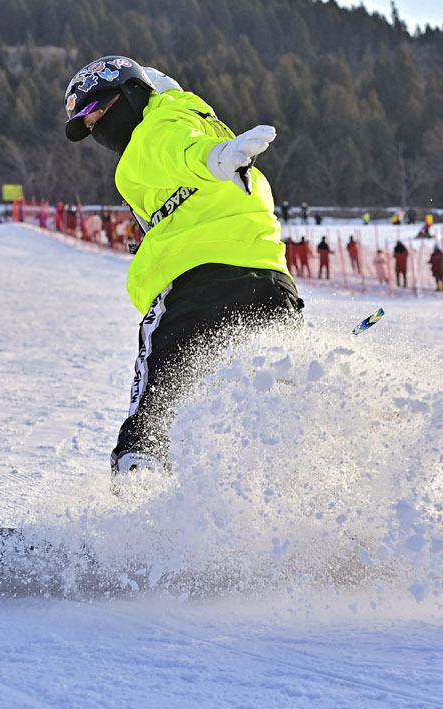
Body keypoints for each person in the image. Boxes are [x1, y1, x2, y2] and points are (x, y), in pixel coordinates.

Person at [63, 55, 303, 475]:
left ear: (132, 94)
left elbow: (180, 152)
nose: (92, 126)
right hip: (270, 282)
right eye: (84, 123)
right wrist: (219, 156)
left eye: (95, 110)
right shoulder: (192, 116)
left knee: (157, 405)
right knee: (275, 404)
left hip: (199, 285)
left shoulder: (154, 132)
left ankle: (138, 493)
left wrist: (216, 159)